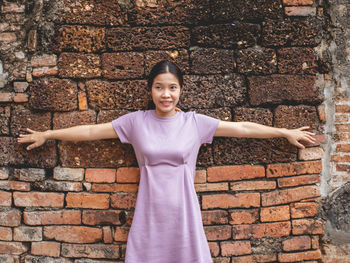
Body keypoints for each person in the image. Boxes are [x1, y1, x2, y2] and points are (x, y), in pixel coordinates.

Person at [17, 60, 316, 263]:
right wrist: (48, 133)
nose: (166, 94)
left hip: (184, 214)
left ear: (181, 89)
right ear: (151, 90)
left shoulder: (194, 123)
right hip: (149, 215)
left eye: (172, 87)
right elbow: (93, 131)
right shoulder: (135, 122)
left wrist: (283, 131)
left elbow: (242, 128)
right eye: (159, 87)